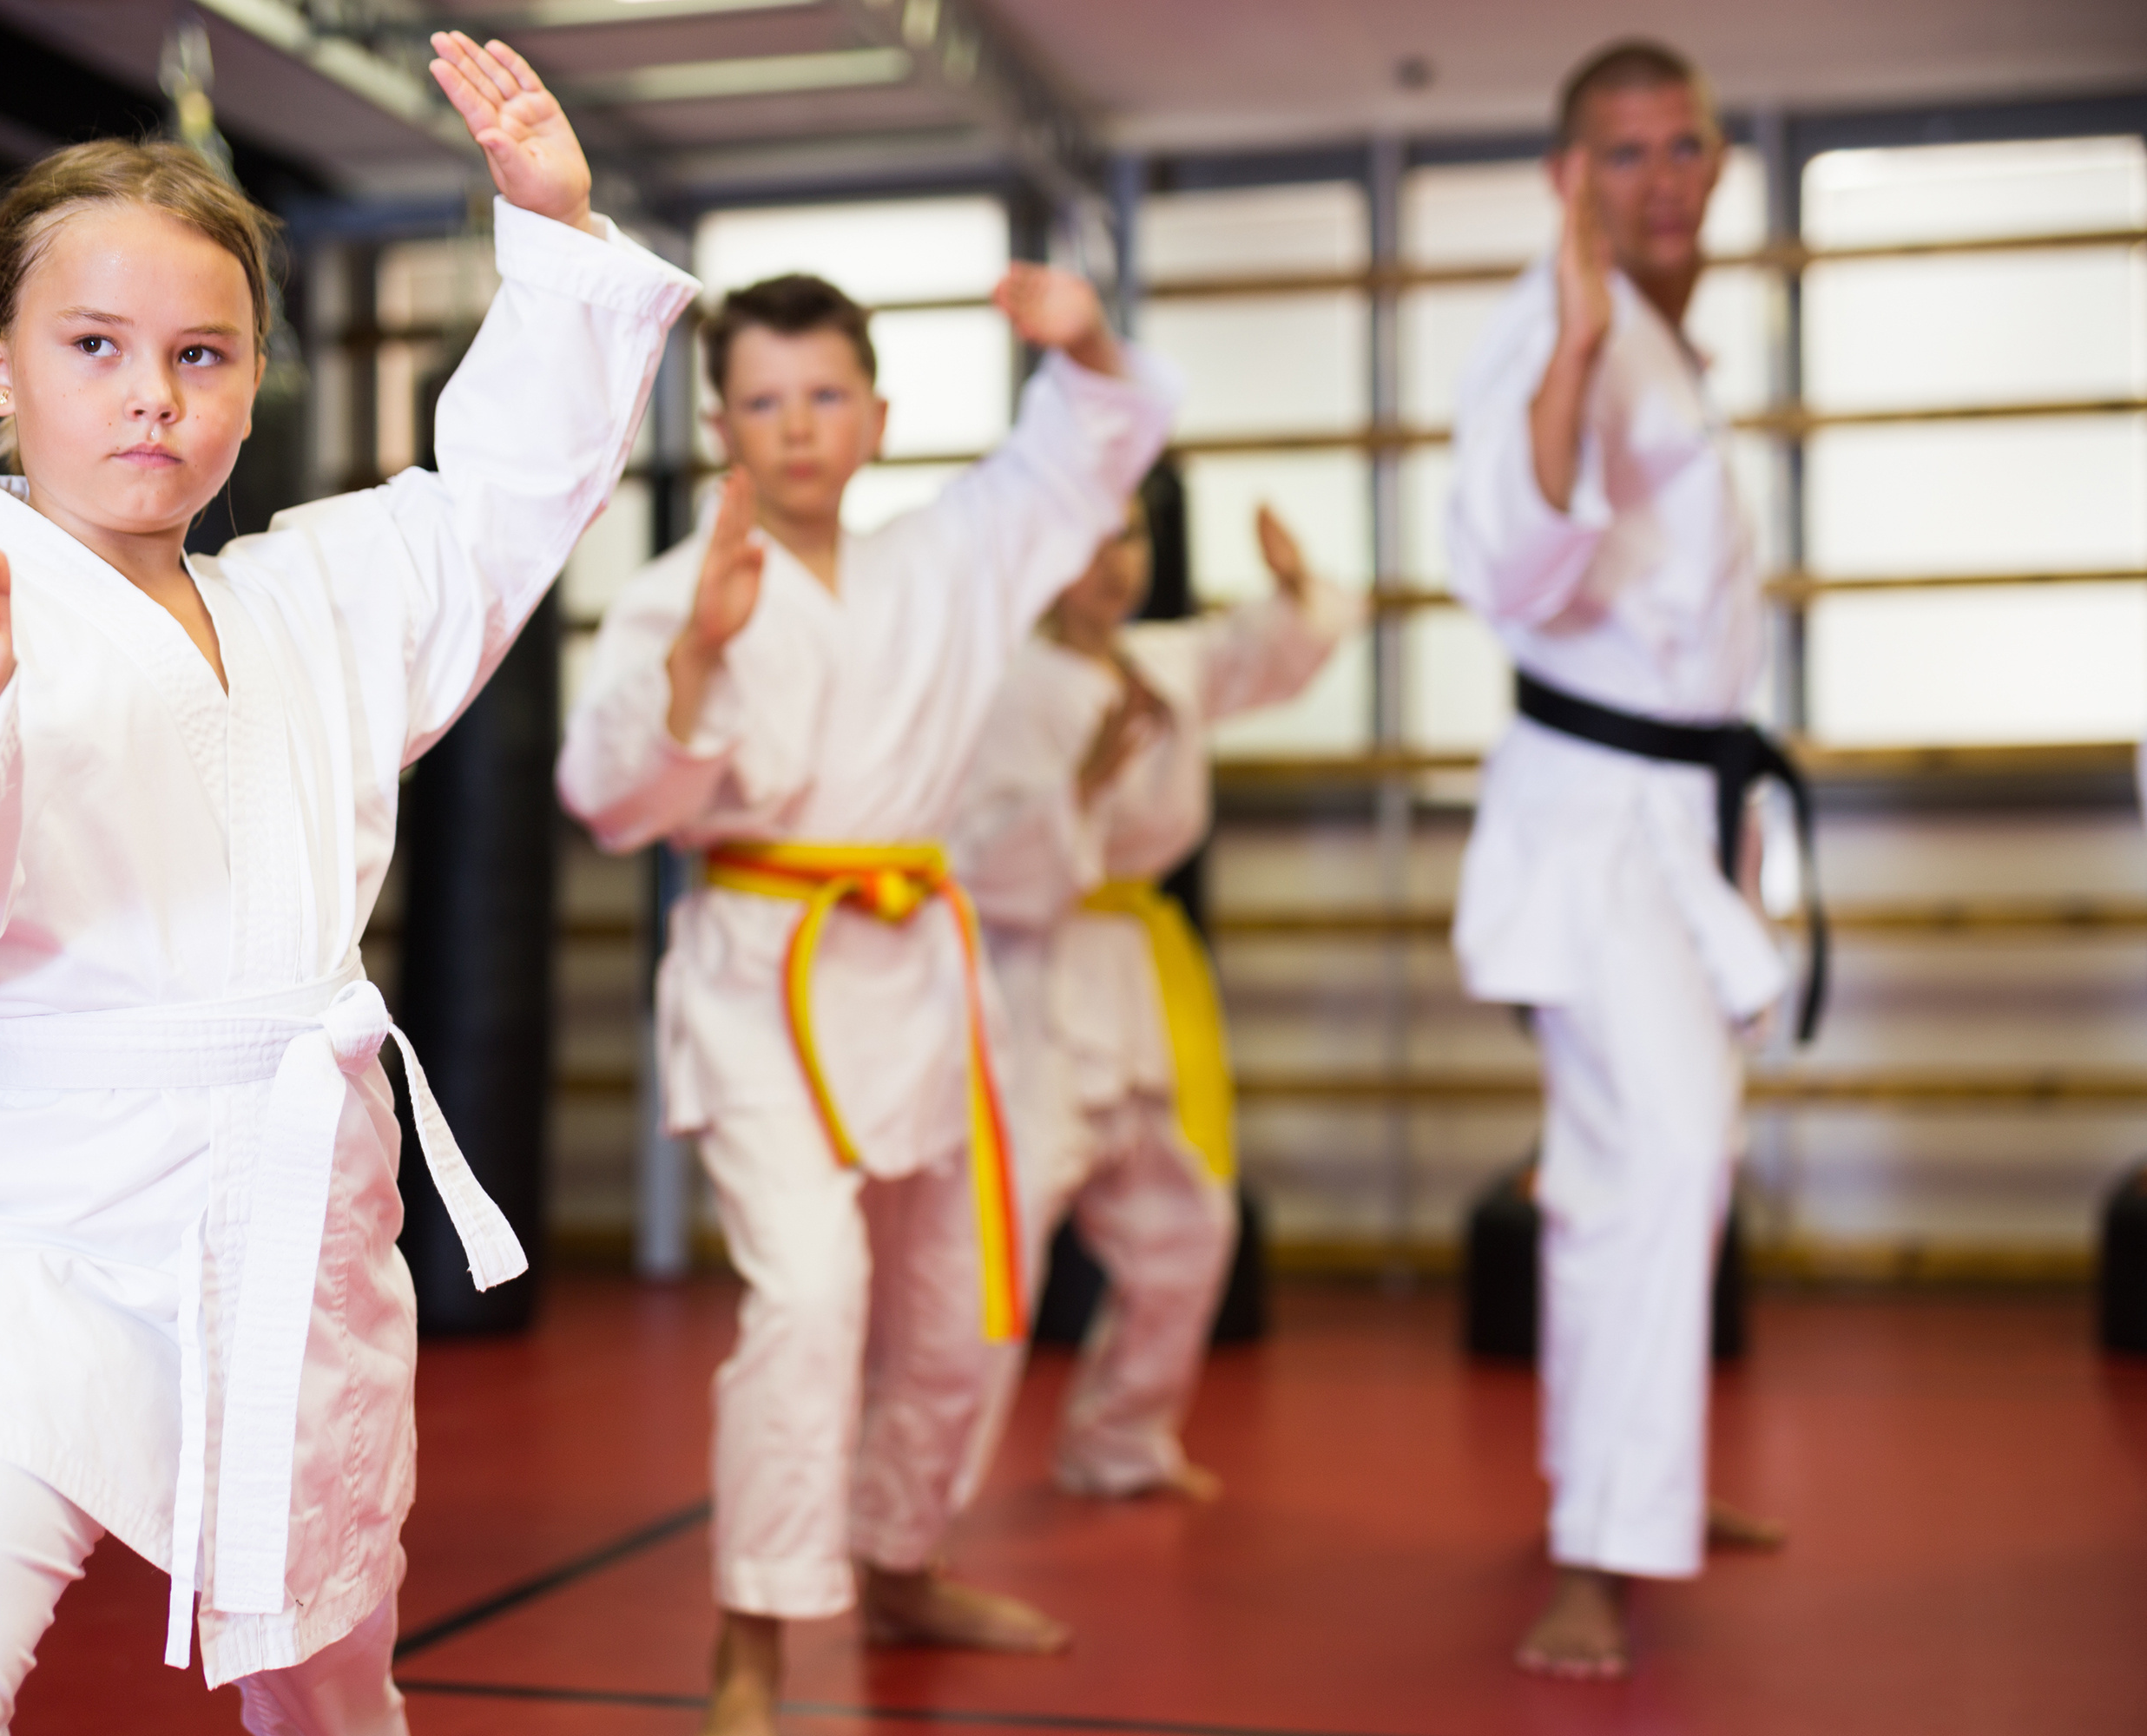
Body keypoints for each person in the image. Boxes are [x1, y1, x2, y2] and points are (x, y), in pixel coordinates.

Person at [0, 35, 696, 1733]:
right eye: (91, 347)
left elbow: (500, 501)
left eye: (200, 353)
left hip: (290, 1225)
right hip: (41, 1234)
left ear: (256, 386)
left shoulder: (313, 601)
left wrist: (548, 230)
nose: (149, 396)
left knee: (328, 1682)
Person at [557, 270, 1176, 1736]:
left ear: (878, 415)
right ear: (720, 427)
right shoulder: (674, 586)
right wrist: (701, 649)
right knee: (812, 1297)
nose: (797, 429)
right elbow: (604, 797)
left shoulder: (949, 559)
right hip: (766, 975)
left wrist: (1081, 336)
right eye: (763, 402)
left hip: (919, 962)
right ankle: (753, 1636)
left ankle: (899, 1559)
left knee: (962, 1306)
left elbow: (1091, 441)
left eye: (825, 395)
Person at [1446, 37, 1795, 1683]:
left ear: (1716, 160)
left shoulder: (1662, 333)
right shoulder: (1556, 326)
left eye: (1682, 146)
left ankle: (1623, 1483)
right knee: (1661, 1154)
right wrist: (1577, 352)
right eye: (1623, 153)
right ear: (1564, 178)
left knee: (1634, 1163)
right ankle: (1599, 1544)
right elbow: (1512, 565)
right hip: (1595, 827)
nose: (1659, 177)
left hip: (1677, 820)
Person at [950, 501, 1355, 1501]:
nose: (1110, 561)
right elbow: (973, 861)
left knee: (1186, 1224)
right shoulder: (994, 684)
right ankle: (915, 1499)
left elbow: (1258, 654)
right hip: (1032, 983)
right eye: (1083, 535)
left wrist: (1294, 589)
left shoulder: (1158, 665)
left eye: (1127, 535)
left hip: (1133, 973)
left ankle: (1117, 1438)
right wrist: (1076, 794)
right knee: (987, 1250)